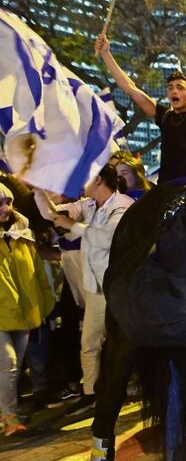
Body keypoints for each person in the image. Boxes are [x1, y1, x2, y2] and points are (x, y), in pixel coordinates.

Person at [35, 164, 133, 415]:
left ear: (99, 180)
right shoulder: (88, 205)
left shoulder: (122, 204)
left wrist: (73, 226)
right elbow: (52, 214)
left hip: (120, 288)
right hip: (96, 289)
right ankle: (91, 393)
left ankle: (129, 386)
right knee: (89, 342)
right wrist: (38, 188)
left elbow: (108, 238)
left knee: (125, 340)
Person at [95, 34, 186, 185]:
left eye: (180, 88)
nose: (174, 91)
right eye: (170, 88)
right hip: (166, 186)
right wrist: (105, 53)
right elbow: (131, 89)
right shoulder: (165, 116)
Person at [0, 182, 55, 435]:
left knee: (13, 367)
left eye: (8, 202)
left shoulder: (24, 234)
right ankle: (10, 417)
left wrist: (45, 302)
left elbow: (39, 276)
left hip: (25, 313)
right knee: (9, 364)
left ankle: (6, 413)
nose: (5, 207)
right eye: (0, 203)